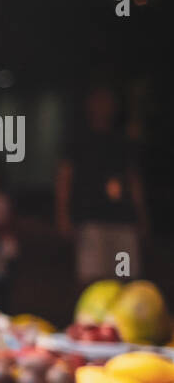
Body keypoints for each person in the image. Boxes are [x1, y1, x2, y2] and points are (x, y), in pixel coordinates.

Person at [55, 85, 149, 284]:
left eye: (108, 100)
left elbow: (133, 179)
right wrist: (63, 214)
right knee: (94, 280)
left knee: (125, 278)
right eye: (99, 100)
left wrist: (141, 214)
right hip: (91, 221)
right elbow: (64, 177)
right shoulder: (78, 140)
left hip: (123, 222)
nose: (103, 106)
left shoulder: (123, 140)